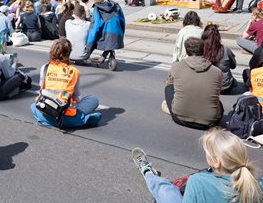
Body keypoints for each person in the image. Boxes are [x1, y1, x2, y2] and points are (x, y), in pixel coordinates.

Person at [132, 127, 263, 203]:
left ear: (216, 161)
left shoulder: (197, 182)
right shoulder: (258, 184)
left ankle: (148, 172)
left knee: (167, 191)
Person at [31, 38, 102, 128]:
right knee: (94, 99)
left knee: (33, 106)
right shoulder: (74, 71)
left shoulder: (45, 68)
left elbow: (42, 89)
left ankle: (46, 120)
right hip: (64, 115)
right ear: (68, 53)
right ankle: (78, 120)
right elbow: (77, 97)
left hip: (44, 110)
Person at [163, 37, 223, 129]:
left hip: (180, 118)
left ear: (187, 51)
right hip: (210, 122)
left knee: (168, 88)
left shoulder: (176, 67)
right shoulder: (217, 72)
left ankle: (175, 107)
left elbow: (169, 82)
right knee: (217, 101)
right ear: (203, 50)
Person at [202, 24, 237, 93]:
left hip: (207, 86)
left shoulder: (200, 49)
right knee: (234, 82)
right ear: (218, 37)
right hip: (225, 87)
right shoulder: (225, 50)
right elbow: (233, 66)